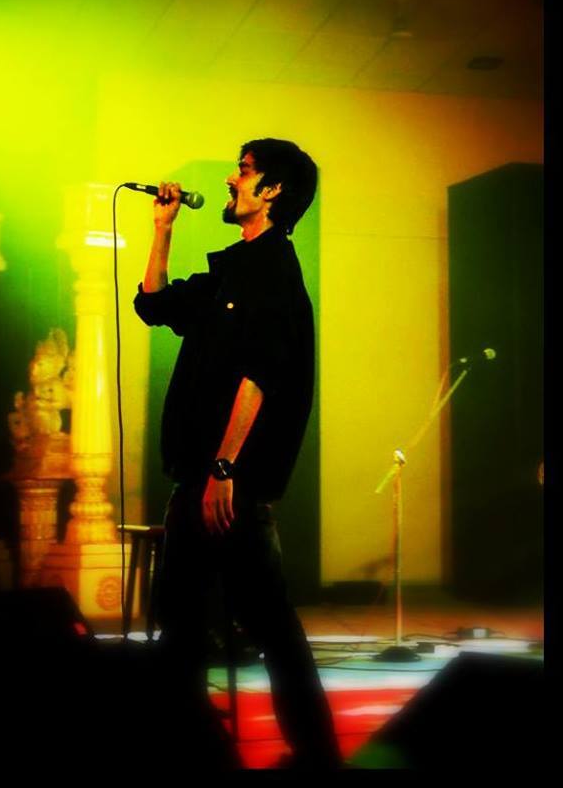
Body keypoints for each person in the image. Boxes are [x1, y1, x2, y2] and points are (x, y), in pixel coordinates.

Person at [133, 138, 342, 771]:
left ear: (272, 190)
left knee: (267, 624)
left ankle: (316, 753)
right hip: (199, 476)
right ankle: (198, 747)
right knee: (185, 625)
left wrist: (225, 467)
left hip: (231, 484)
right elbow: (153, 304)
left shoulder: (273, 269)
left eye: (244, 171)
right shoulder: (232, 269)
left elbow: (261, 373)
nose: (231, 178)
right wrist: (163, 228)